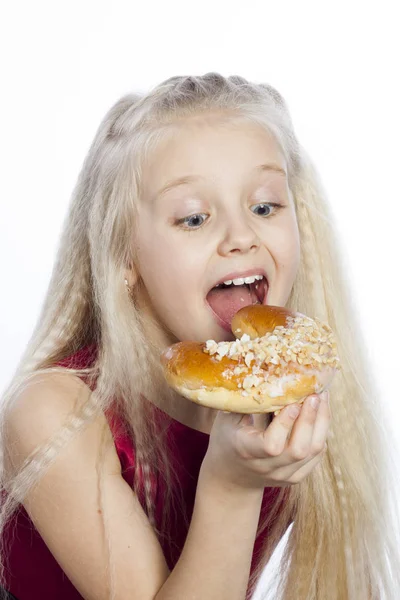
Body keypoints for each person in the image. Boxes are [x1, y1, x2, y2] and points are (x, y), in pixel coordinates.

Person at [0, 73, 399, 600]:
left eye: (264, 207)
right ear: (124, 255)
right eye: (193, 217)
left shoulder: (285, 403)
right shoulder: (57, 411)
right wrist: (234, 484)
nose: (240, 237)